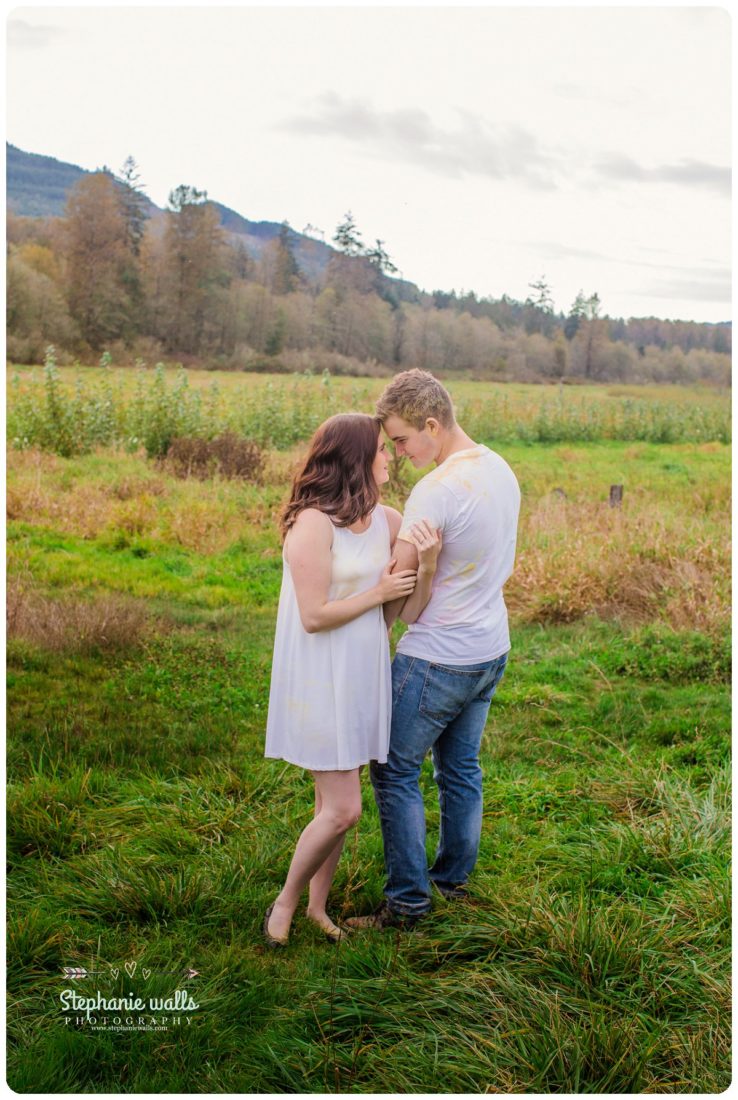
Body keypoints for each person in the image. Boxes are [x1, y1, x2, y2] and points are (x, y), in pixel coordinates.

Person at [346, 370, 520, 930]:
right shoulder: (500, 469)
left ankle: (407, 904)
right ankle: (453, 882)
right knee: (461, 768)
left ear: (430, 424)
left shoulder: (436, 490)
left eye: (400, 439)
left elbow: (400, 591)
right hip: (490, 647)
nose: (398, 450)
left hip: (436, 655)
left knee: (394, 771)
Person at [263, 412, 441, 946]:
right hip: (320, 676)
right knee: (344, 809)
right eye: (382, 451)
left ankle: (318, 907)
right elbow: (315, 615)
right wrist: (377, 594)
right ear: (355, 459)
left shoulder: (387, 520)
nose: (391, 458)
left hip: (364, 674)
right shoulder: (312, 522)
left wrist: (424, 568)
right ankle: (285, 904)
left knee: (330, 805)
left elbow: (397, 617)